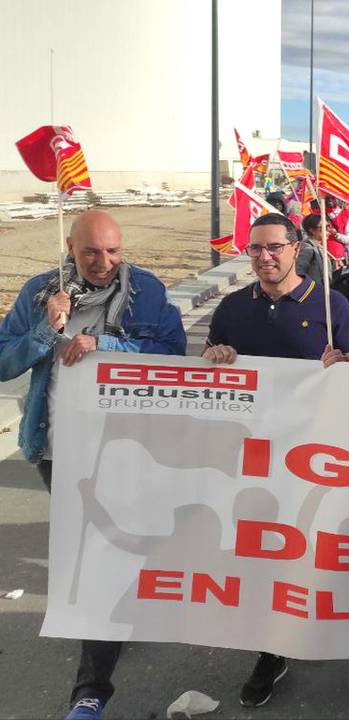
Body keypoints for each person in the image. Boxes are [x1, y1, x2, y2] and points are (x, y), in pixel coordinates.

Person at [0, 209, 187, 720]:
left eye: (113, 251)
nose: (104, 263)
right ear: (69, 248)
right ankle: (101, 653)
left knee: (107, 551)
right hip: (58, 448)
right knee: (92, 552)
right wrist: (46, 330)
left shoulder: (147, 290)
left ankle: (90, 690)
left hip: (128, 447)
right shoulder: (40, 293)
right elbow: (2, 363)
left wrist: (104, 344)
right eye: (91, 252)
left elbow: (172, 352)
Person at [202, 212, 349, 709]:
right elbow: (211, 360)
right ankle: (273, 650)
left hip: (316, 457)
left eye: (274, 247)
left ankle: (326, 625)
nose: (265, 257)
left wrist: (341, 369)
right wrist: (217, 355)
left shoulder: (332, 305)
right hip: (254, 459)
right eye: (255, 249)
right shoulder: (231, 307)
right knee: (266, 555)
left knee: (315, 550)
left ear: (297, 249)